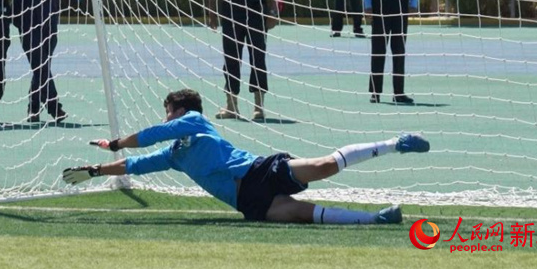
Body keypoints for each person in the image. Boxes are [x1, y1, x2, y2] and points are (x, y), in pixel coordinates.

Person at [62, 89, 429, 224]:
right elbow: (137, 165)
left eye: (168, 109)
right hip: (247, 202)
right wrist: (96, 169)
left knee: (323, 166)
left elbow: (153, 135)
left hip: (258, 172)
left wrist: (115, 142)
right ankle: (377, 220)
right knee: (304, 214)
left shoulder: (195, 121)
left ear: (181, 109)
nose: (165, 116)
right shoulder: (175, 156)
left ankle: (396, 142)